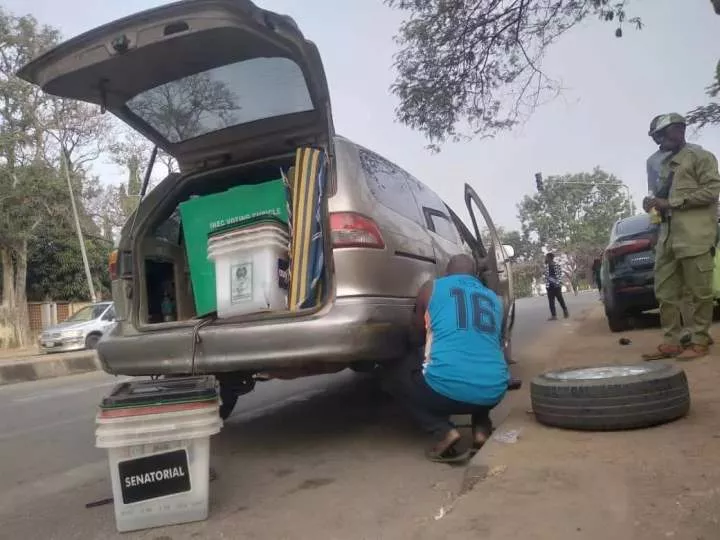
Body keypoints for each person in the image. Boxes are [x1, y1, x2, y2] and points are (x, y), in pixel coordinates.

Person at [392, 254, 509, 463]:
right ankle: (481, 429)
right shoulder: (494, 299)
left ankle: (443, 430)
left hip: (445, 391)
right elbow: (496, 343)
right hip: (495, 389)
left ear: (446, 272)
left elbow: (415, 336)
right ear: (475, 275)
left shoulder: (432, 288)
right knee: (478, 367)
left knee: (399, 373)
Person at [642, 113, 720, 361]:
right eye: (657, 138)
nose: (659, 142)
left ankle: (699, 339)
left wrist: (672, 202)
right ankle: (671, 341)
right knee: (665, 292)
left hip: (695, 235)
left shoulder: (700, 157)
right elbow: (658, 199)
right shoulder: (658, 163)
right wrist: (652, 207)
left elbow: (712, 190)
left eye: (661, 136)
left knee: (700, 292)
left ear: (677, 130)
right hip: (667, 238)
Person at [545, 253, 569, 320]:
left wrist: (555, 282)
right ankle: (554, 315)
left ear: (550, 258)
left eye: (546, 257)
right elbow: (546, 276)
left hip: (556, 286)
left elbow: (559, 276)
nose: (545, 258)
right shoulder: (546, 266)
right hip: (549, 286)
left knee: (560, 299)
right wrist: (547, 285)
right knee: (551, 301)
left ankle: (565, 310)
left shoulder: (556, 265)